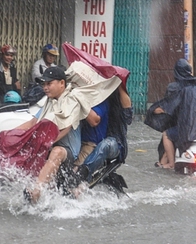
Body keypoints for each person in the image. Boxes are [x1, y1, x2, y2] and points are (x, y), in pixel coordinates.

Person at [19, 65, 120, 203]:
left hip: (69, 150)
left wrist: (46, 143)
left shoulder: (74, 99)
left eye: (49, 83)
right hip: (50, 144)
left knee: (57, 153)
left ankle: (37, 193)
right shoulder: (50, 102)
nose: (45, 87)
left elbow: (67, 127)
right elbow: (33, 123)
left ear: (62, 83)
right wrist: (10, 134)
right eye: (44, 84)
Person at [75, 85, 132, 180]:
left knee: (105, 145)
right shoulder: (85, 93)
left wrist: (119, 83)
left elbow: (128, 117)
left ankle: (83, 172)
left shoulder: (114, 96)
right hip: (86, 140)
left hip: (114, 141)